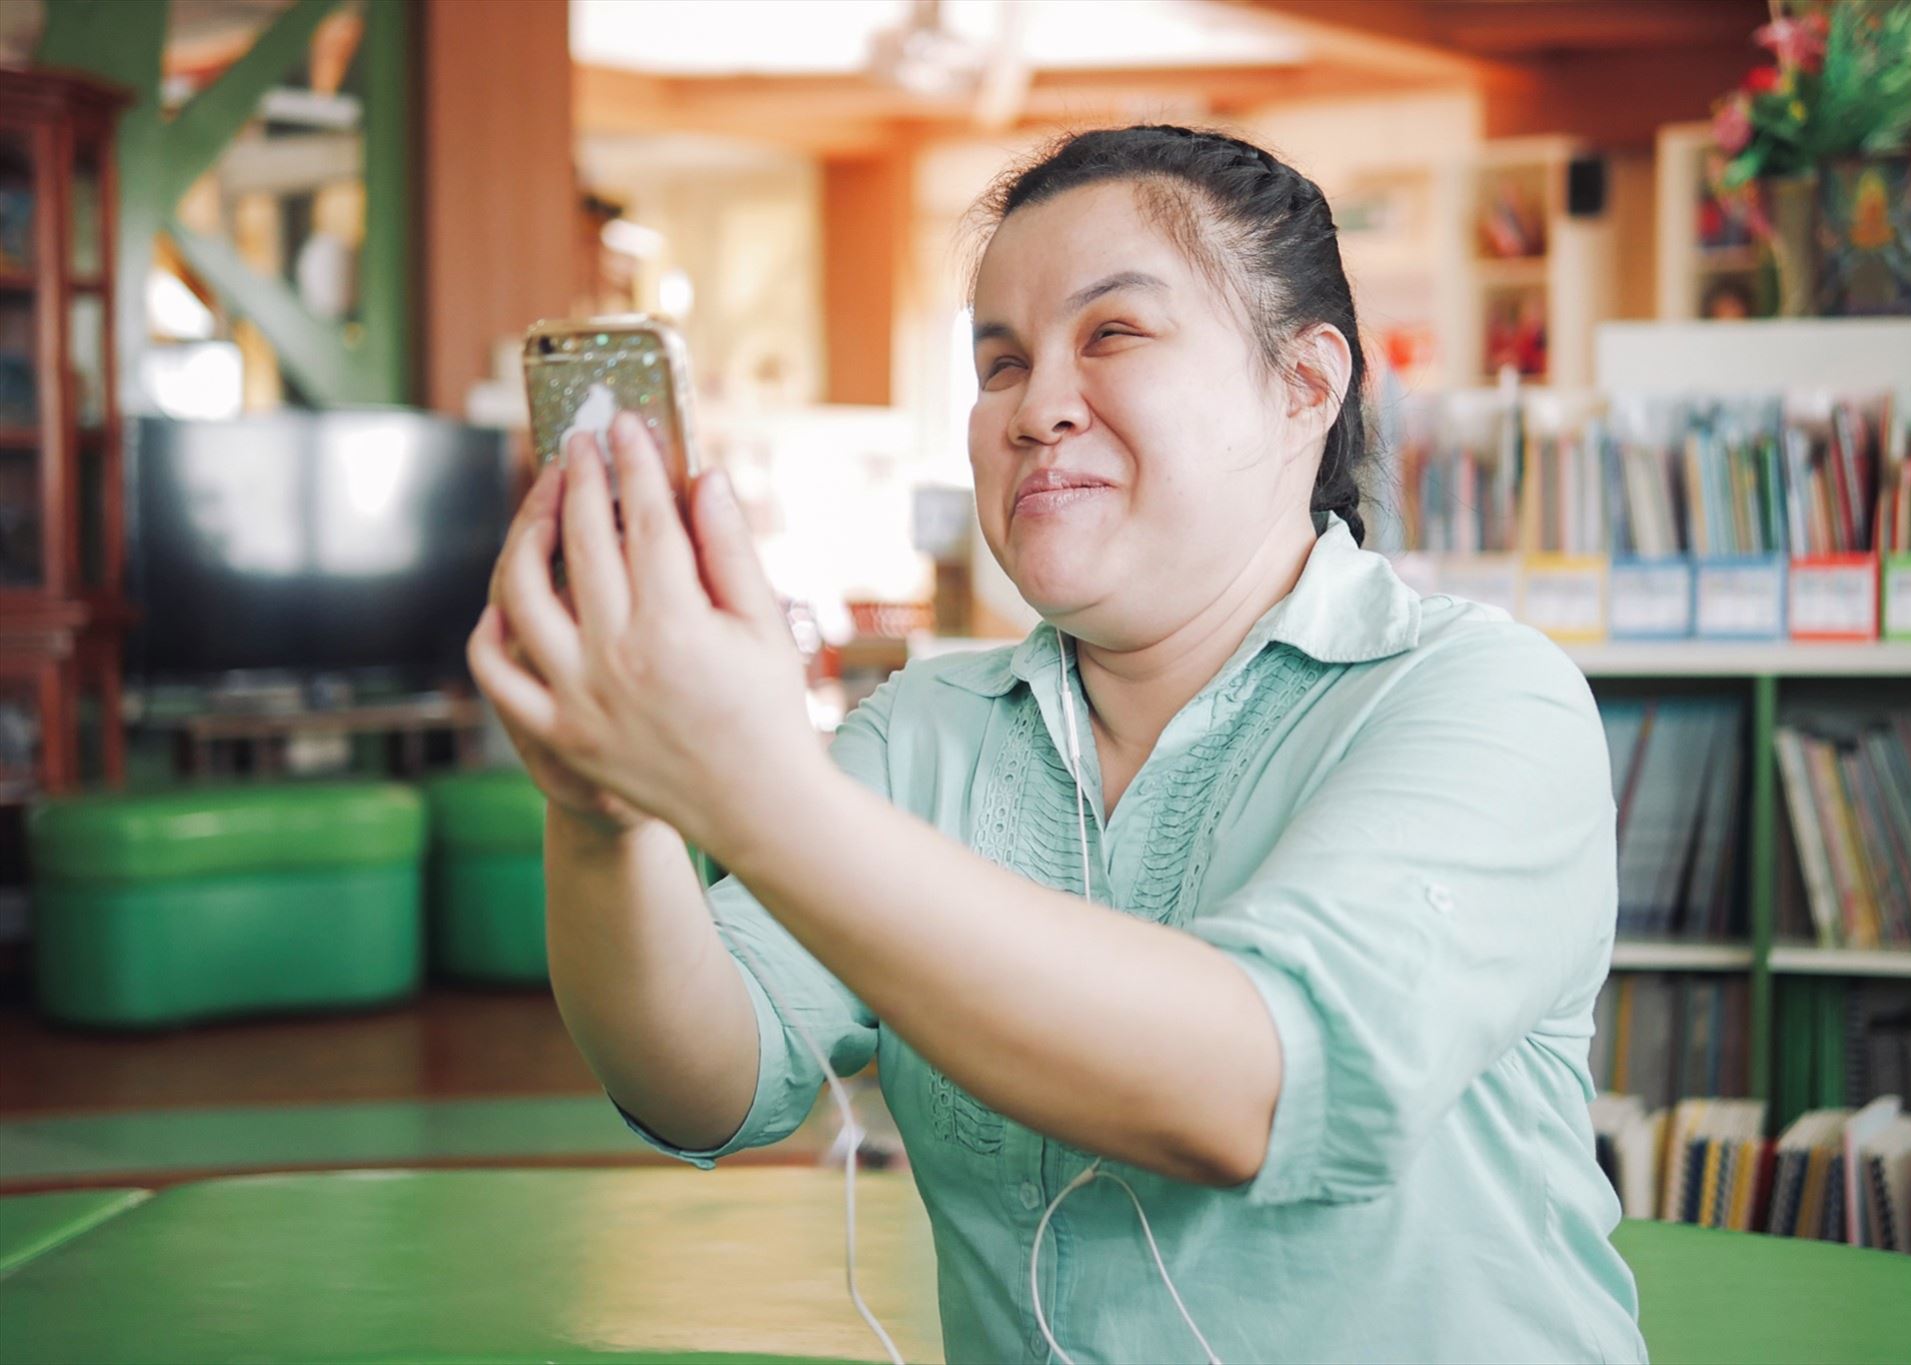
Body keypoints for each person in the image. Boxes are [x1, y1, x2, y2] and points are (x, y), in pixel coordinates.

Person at [469, 124, 1647, 1364]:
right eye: (999, 362)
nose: (1034, 410)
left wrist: (754, 791)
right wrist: (604, 814)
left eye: (1112, 334)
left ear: (1305, 385)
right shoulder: (923, 733)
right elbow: (707, 1079)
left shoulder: (1480, 696)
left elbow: (1245, 1089)